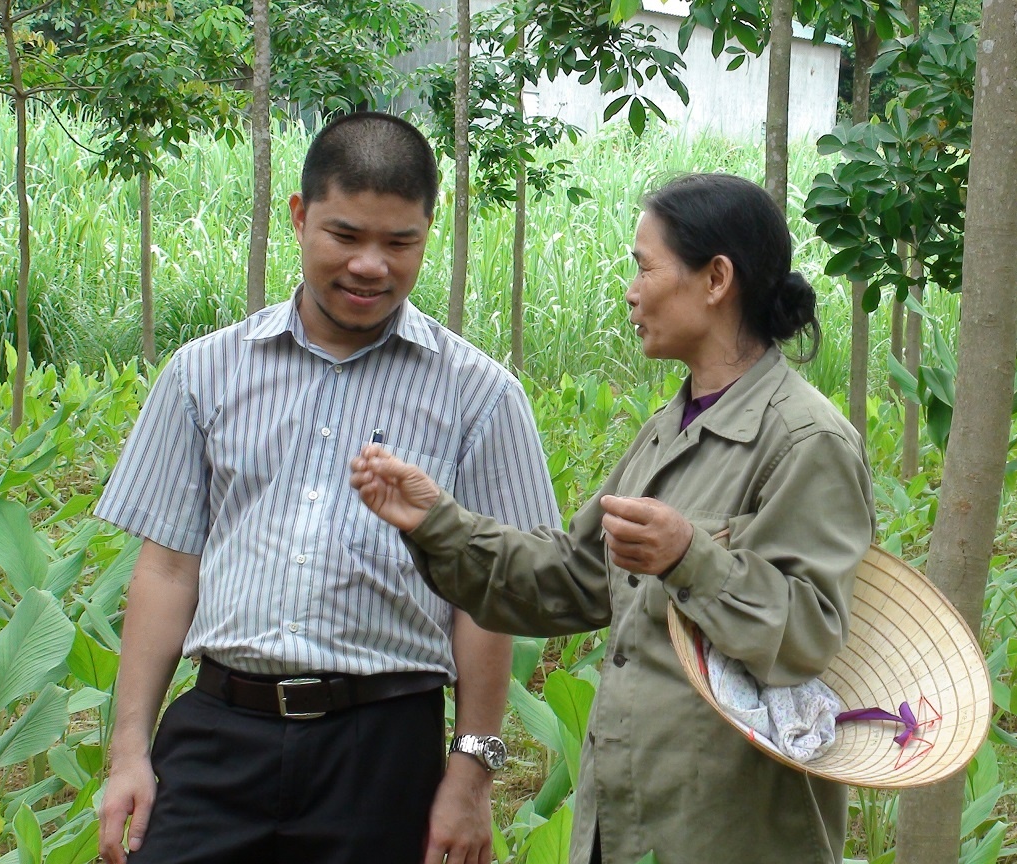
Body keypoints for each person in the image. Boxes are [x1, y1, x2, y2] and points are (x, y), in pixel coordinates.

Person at [349, 173, 876, 864]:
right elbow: (572, 576)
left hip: (728, 829)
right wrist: (437, 522)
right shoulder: (667, 428)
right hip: (622, 816)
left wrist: (693, 556)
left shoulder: (806, 440)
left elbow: (812, 633)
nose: (630, 290)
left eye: (644, 266)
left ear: (715, 279)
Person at [95, 111, 559, 864]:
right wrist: (128, 754)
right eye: (345, 236)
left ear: (427, 232)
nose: (370, 265)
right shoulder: (204, 373)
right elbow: (167, 569)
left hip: (382, 744)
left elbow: (491, 596)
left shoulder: (481, 396)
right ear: (300, 218)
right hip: (219, 729)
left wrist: (471, 775)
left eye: (399, 242)